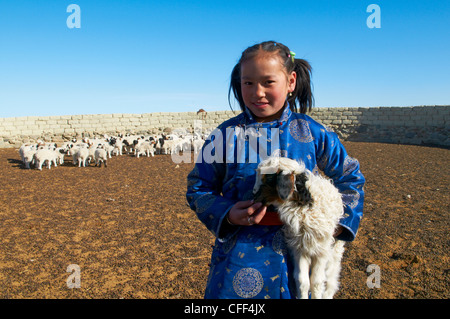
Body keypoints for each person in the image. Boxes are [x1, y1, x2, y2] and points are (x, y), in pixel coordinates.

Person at [186, 41, 365, 299]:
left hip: (300, 255)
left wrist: (335, 224)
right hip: (239, 257)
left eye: (268, 82)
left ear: (290, 82)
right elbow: (198, 187)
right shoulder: (225, 136)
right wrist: (227, 213)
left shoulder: (312, 133)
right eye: (248, 83)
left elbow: (351, 177)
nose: (257, 92)